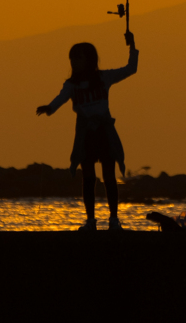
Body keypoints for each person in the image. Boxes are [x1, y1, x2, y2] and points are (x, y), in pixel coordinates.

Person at [36, 30, 138, 231]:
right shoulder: (72, 85)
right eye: (72, 58)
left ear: (89, 60)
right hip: (85, 134)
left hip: (104, 131)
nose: (74, 62)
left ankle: (114, 219)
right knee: (88, 177)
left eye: (78, 58)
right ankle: (91, 220)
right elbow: (61, 98)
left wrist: (132, 45)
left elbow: (131, 68)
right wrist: (49, 107)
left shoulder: (104, 78)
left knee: (109, 176)